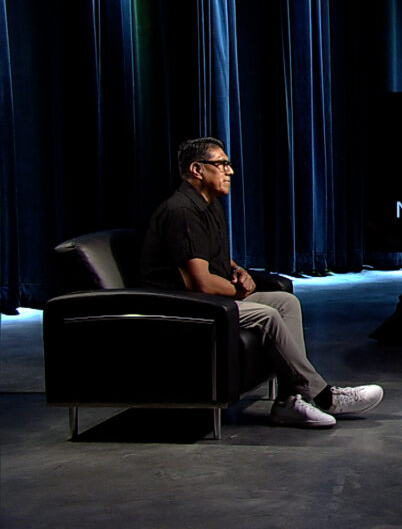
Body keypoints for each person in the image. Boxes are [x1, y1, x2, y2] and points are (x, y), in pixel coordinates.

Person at [140, 137, 383, 428]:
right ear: (197, 169)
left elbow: (211, 257)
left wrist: (239, 270)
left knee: (285, 302)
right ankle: (322, 395)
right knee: (267, 315)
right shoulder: (181, 212)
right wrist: (239, 290)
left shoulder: (208, 205)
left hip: (212, 302)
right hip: (187, 308)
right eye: (221, 164)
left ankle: (288, 402)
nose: (230, 171)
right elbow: (200, 283)